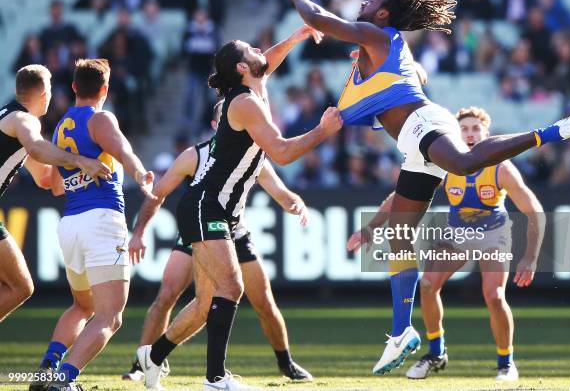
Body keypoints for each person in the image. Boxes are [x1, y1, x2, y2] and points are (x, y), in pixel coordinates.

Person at [287, 0, 570, 375]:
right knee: (398, 236)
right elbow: (416, 75)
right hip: (413, 147)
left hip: (424, 123)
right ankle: (402, 333)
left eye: (371, 0)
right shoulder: (374, 47)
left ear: (381, 14)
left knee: (467, 163)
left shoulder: (377, 35)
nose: (363, 3)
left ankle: (550, 132)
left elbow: (323, 21)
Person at [137, 24, 342, 391]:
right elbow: (281, 152)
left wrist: (295, 38)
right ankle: (215, 378)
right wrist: (323, 131)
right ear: (242, 69)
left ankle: (152, 357)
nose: (259, 50)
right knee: (231, 288)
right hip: (207, 205)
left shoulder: (252, 87)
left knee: (204, 306)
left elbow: (269, 61)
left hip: (219, 210)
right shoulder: (246, 102)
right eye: (250, 49)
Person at [349, 107, 545, 381]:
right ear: (454, 133)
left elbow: (533, 209)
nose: (470, 134)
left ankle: (506, 362)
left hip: (493, 235)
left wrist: (531, 257)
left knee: (494, 295)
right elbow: (400, 197)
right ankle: (436, 353)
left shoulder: (500, 168)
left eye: (476, 128)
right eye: (464, 128)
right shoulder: (444, 164)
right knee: (427, 285)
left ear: (487, 135)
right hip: (457, 234)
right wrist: (370, 227)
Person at [122, 100, 312, 383]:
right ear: (216, 126)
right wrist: (138, 233)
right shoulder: (195, 155)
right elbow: (157, 194)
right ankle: (144, 365)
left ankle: (285, 363)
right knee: (169, 294)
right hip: (201, 229)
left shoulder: (253, 154)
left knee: (261, 301)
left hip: (234, 232)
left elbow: (282, 192)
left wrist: (295, 203)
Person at [30, 59, 155, 391]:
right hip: (101, 221)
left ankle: (48, 367)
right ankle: (64, 379)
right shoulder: (100, 118)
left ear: (73, 87)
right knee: (109, 316)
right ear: (105, 89)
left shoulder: (60, 127)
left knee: (83, 305)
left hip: (70, 223)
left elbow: (54, 185)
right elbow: (123, 148)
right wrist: (140, 173)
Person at [0, 65, 111, 323]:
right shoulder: (24, 120)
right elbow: (38, 148)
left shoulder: (9, 117)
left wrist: (73, 149)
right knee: (20, 287)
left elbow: (46, 179)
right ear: (43, 93)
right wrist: (81, 160)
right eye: (50, 90)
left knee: (20, 286)